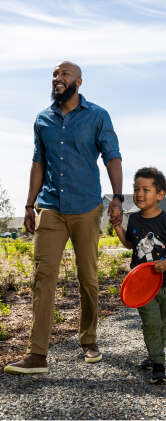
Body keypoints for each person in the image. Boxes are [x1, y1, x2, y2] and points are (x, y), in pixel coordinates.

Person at [4, 61, 123, 375]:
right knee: (44, 277)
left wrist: (118, 198)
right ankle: (37, 354)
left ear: (79, 81)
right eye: (55, 75)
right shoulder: (43, 119)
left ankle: (89, 339)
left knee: (88, 278)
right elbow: (37, 163)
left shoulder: (97, 116)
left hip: (86, 207)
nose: (58, 78)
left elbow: (112, 156)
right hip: (50, 207)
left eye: (64, 74)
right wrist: (29, 205)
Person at [113, 167, 166, 384]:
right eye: (136, 189)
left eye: (146, 189)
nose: (140, 194)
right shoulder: (134, 220)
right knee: (151, 322)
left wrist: (165, 262)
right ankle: (158, 363)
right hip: (143, 284)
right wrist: (117, 226)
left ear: (160, 195)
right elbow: (129, 244)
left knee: (162, 321)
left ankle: (156, 351)